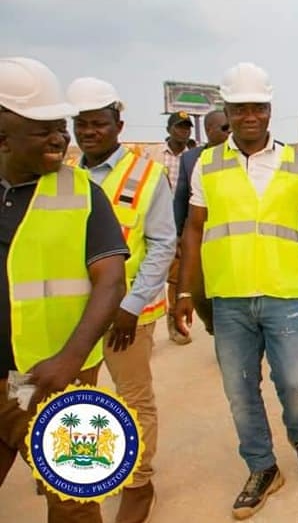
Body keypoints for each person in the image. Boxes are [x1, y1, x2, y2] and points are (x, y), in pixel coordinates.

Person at [173, 62, 298, 520]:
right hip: (229, 298)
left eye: (258, 108)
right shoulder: (206, 164)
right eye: (240, 108)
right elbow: (193, 230)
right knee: (241, 390)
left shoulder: (297, 163)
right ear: (227, 111)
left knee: (296, 382)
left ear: (269, 111)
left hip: (284, 293)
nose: (250, 116)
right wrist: (185, 293)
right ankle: (263, 467)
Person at [0, 57, 128, 523]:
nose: (60, 137)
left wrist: (71, 359)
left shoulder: (82, 193)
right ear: (3, 136)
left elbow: (112, 281)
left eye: (61, 126)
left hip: (57, 381)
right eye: (43, 128)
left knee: (74, 507)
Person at [67, 77, 177, 522]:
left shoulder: (147, 175)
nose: (89, 132)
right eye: (82, 125)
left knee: (132, 400)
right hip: (78, 313)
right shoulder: (65, 177)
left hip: (129, 314)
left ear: (118, 124)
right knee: (79, 402)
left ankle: (138, 483)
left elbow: (162, 245)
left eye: (99, 123)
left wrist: (130, 306)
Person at [171, 109, 228, 336]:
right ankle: (214, 327)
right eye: (224, 128)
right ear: (208, 130)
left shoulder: (241, 154)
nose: (230, 132)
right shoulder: (191, 159)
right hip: (201, 236)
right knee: (201, 294)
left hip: (234, 237)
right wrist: (177, 235)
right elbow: (181, 199)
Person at [145, 111, 194, 345]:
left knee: (177, 279)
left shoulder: (194, 157)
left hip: (179, 226)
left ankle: (176, 326)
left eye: (187, 128)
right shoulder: (152, 155)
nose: (183, 131)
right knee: (148, 277)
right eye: (179, 127)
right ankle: (144, 331)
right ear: (168, 129)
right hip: (151, 223)